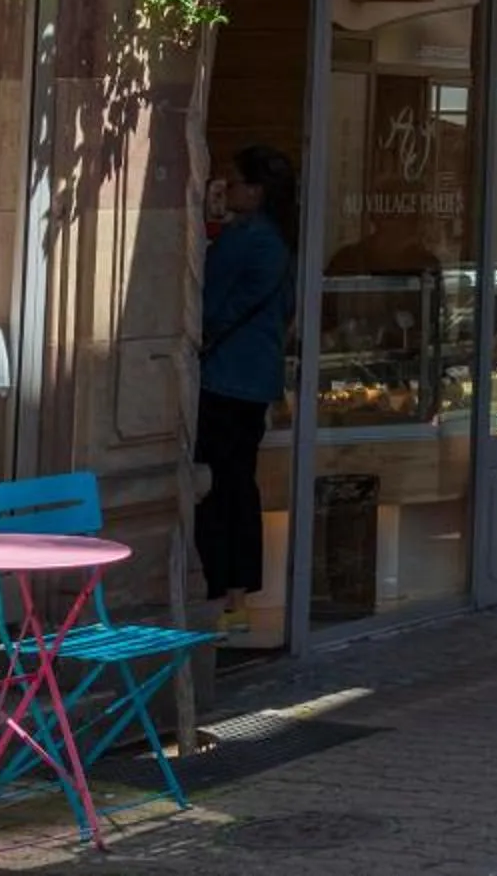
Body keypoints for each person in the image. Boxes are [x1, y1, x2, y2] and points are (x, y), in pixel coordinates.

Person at [196, 146, 295, 632]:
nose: (225, 190)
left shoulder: (248, 238)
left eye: (232, 184)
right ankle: (237, 594)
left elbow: (209, 299)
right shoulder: (275, 239)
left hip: (226, 376)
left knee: (219, 485)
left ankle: (225, 591)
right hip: (253, 377)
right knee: (237, 482)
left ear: (255, 191)